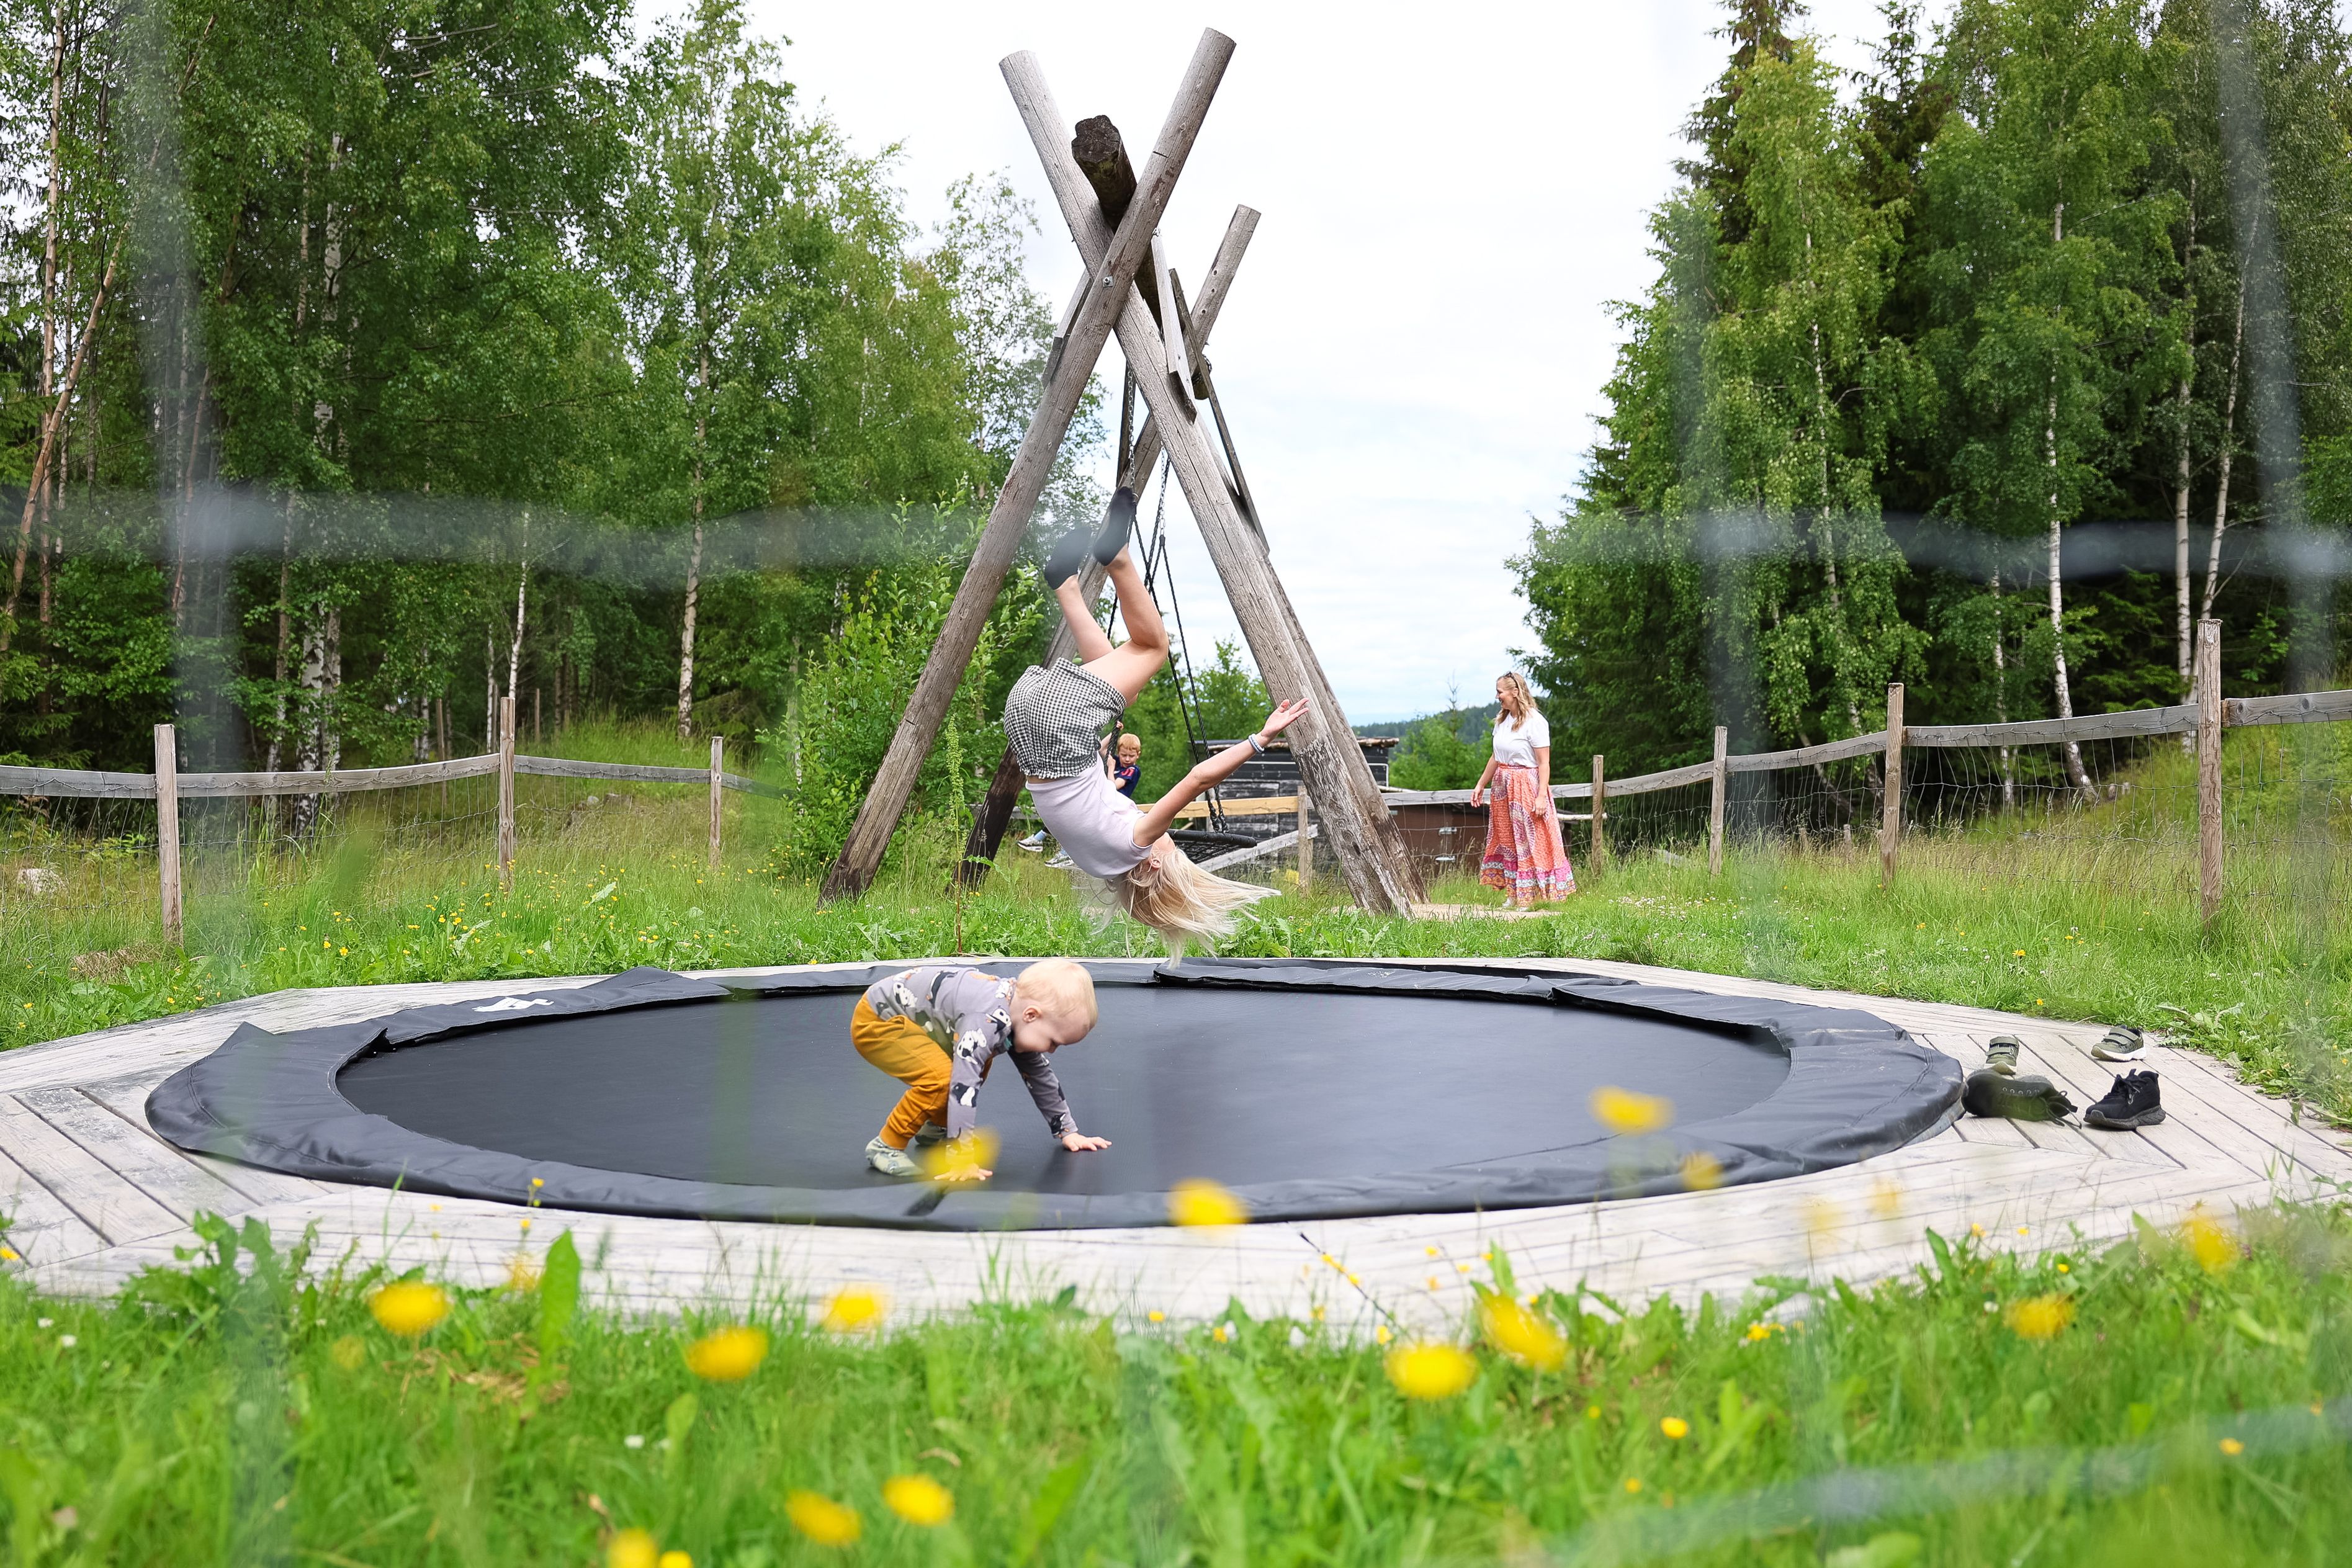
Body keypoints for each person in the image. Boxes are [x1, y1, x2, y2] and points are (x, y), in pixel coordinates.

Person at [1003, 490, 1304, 950]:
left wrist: (1259, 739)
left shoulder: (1136, 844)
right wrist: (1103, 746)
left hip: (1057, 728)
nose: (1170, 843)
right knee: (1127, 687)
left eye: (1174, 850)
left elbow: (1199, 779)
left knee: (1152, 649)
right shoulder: (1099, 861)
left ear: (1156, 865)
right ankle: (1065, 586)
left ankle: (1116, 557)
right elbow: (1078, 797)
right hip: (1027, 721)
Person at [851, 957, 1111, 1180]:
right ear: (1032, 1015)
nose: (1051, 1050)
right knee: (942, 1080)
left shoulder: (1016, 1010)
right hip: (880, 1021)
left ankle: (935, 1128)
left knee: (979, 1061)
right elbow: (962, 1086)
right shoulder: (986, 1021)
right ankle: (885, 1146)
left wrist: (1068, 1131)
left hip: (926, 1025)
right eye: (1053, 1042)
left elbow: (1040, 1076)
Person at [1468, 671, 1576, 907]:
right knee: (1507, 839)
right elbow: (1496, 757)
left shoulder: (1535, 722)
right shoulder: (1503, 721)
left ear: (1515, 692)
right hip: (1502, 786)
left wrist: (1541, 797)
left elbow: (1544, 762)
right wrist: (1481, 784)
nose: (1497, 697)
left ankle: (1531, 895)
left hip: (1525, 784)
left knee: (1529, 840)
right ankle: (1514, 893)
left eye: (1500, 692)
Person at [1046, 730, 1142, 869]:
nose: (1127, 759)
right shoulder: (1117, 763)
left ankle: (1067, 854)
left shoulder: (1133, 770)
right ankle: (1056, 847)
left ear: (1138, 755)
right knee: (1075, 815)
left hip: (1114, 808)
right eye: (1124, 755)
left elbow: (1113, 786)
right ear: (1119, 752)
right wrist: (1114, 732)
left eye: (1131, 756)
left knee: (1084, 823)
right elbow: (1100, 749)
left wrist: (1111, 768)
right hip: (1104, 803)